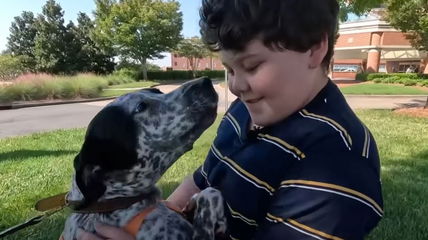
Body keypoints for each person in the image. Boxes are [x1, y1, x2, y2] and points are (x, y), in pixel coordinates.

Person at [78, 0, 383, 239]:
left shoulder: (339, 161)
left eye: (250, 66)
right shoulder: (246, 110)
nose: (236, 85)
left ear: (315, 48)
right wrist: (154, 219)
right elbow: (206, 177)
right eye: (230, 69)